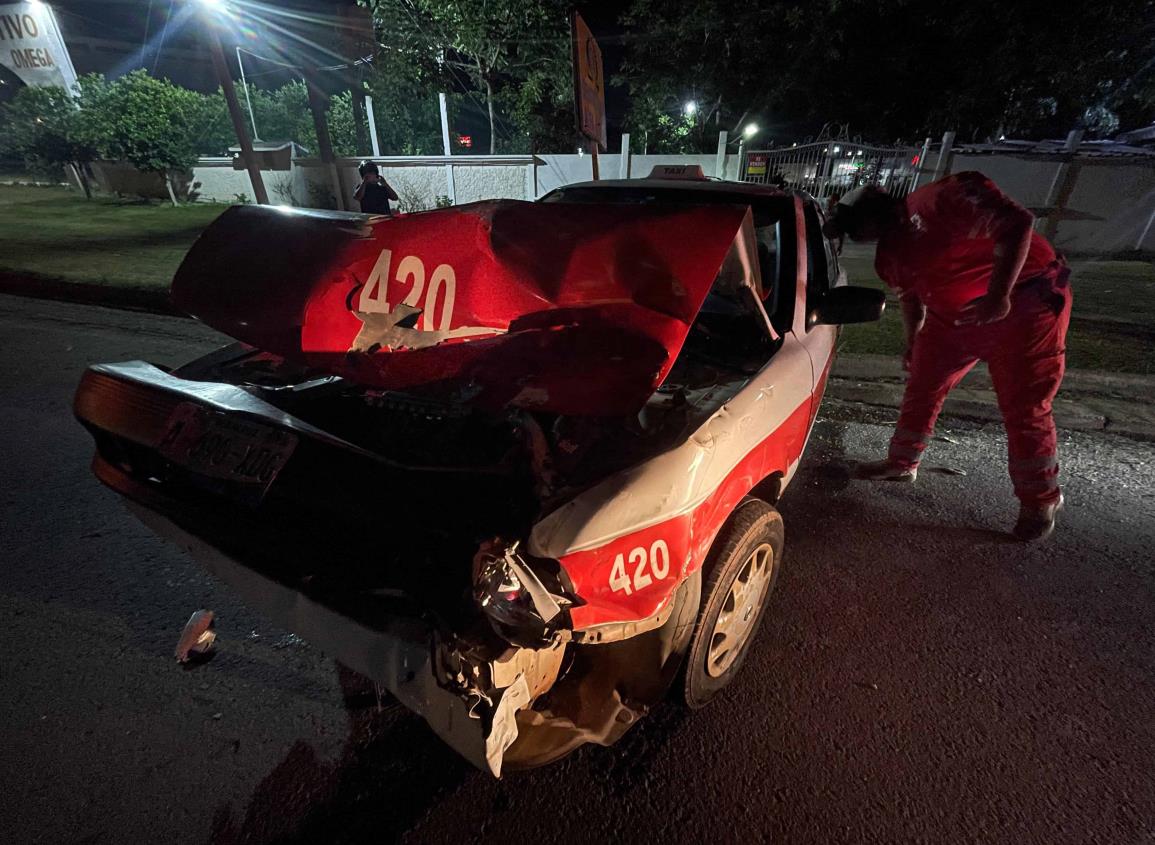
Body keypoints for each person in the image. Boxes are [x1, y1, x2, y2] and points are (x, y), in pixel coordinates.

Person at [823, 174, 1073, 541]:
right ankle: (902, 463)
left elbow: (1017, 223)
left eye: (854, 227)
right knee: (923, 384)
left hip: (1025, 304)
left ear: (876, 214)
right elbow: (911, 298)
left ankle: (1041, 499)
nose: (856, 236)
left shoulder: (948, 194)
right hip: (951, 318)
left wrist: (998, 295)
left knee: (1024, 406)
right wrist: (914, 342)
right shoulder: (888, 255)